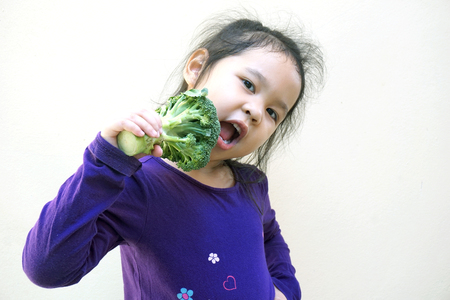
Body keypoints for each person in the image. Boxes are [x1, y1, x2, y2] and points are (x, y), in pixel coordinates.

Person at [22, 13, 324, 300]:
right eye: (248, 84)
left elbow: (270, 237)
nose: (256, 111)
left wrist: (285, 289)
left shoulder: (252, 183)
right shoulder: (137, 183)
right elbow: (47, 269)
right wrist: (104, 165)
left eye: (273, 112)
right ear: (196, 68)